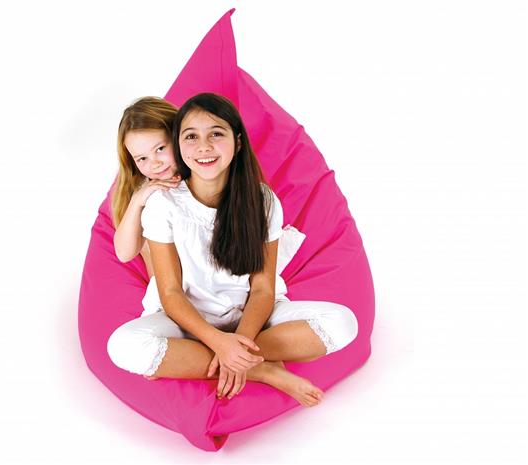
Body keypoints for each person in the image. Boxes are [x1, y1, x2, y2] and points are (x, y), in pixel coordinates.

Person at [107, 93, 359, 407]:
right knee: (123, 346)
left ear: (237, 142)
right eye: (192, 137)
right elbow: (168, 290)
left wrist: (235, 346)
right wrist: (220, 343)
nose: (203, 147)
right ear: (182, 142)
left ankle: (210, 360)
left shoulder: (262, 200)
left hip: (252, 313)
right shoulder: (160, 203)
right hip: (189, 319)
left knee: (344, 322)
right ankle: (262, 370)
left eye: (215, 134)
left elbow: (263, 289)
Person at [110, 96, 182, 279]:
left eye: (160, 149)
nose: (155, 163)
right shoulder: (147, 194)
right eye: (142, 158)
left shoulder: (201, 175)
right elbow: (124, 253)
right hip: (167, 291)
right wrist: (137, 201)